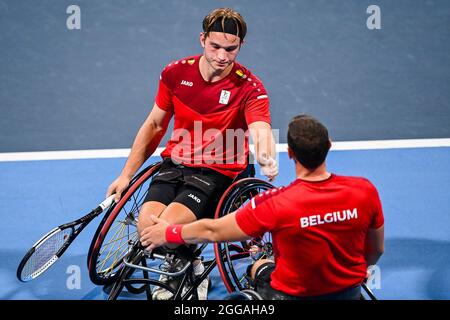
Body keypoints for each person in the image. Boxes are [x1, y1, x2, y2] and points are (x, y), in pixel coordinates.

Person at [106, 7, 278, 300]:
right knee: (146, 226)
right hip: (176, 164)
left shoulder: (250, 87)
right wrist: (126, 175)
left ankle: (188, 268)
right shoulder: (175, 73)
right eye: (215, 46)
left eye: (231, 49)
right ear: (202, 39)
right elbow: (155, 125)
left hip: (218, 172)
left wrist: (266, 156)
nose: (222, 56)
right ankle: (188, 260)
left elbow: (260, 129)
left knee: (167, 229)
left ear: (241, 46)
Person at [140, 114, 385, 300]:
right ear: (329, 145)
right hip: (348, 293)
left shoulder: (274, 204)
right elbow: (376, 250)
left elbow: (212, 231)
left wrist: (169, 232)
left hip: (290, 296)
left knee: (260, 267)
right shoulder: (364, 191)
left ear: (290, 153)